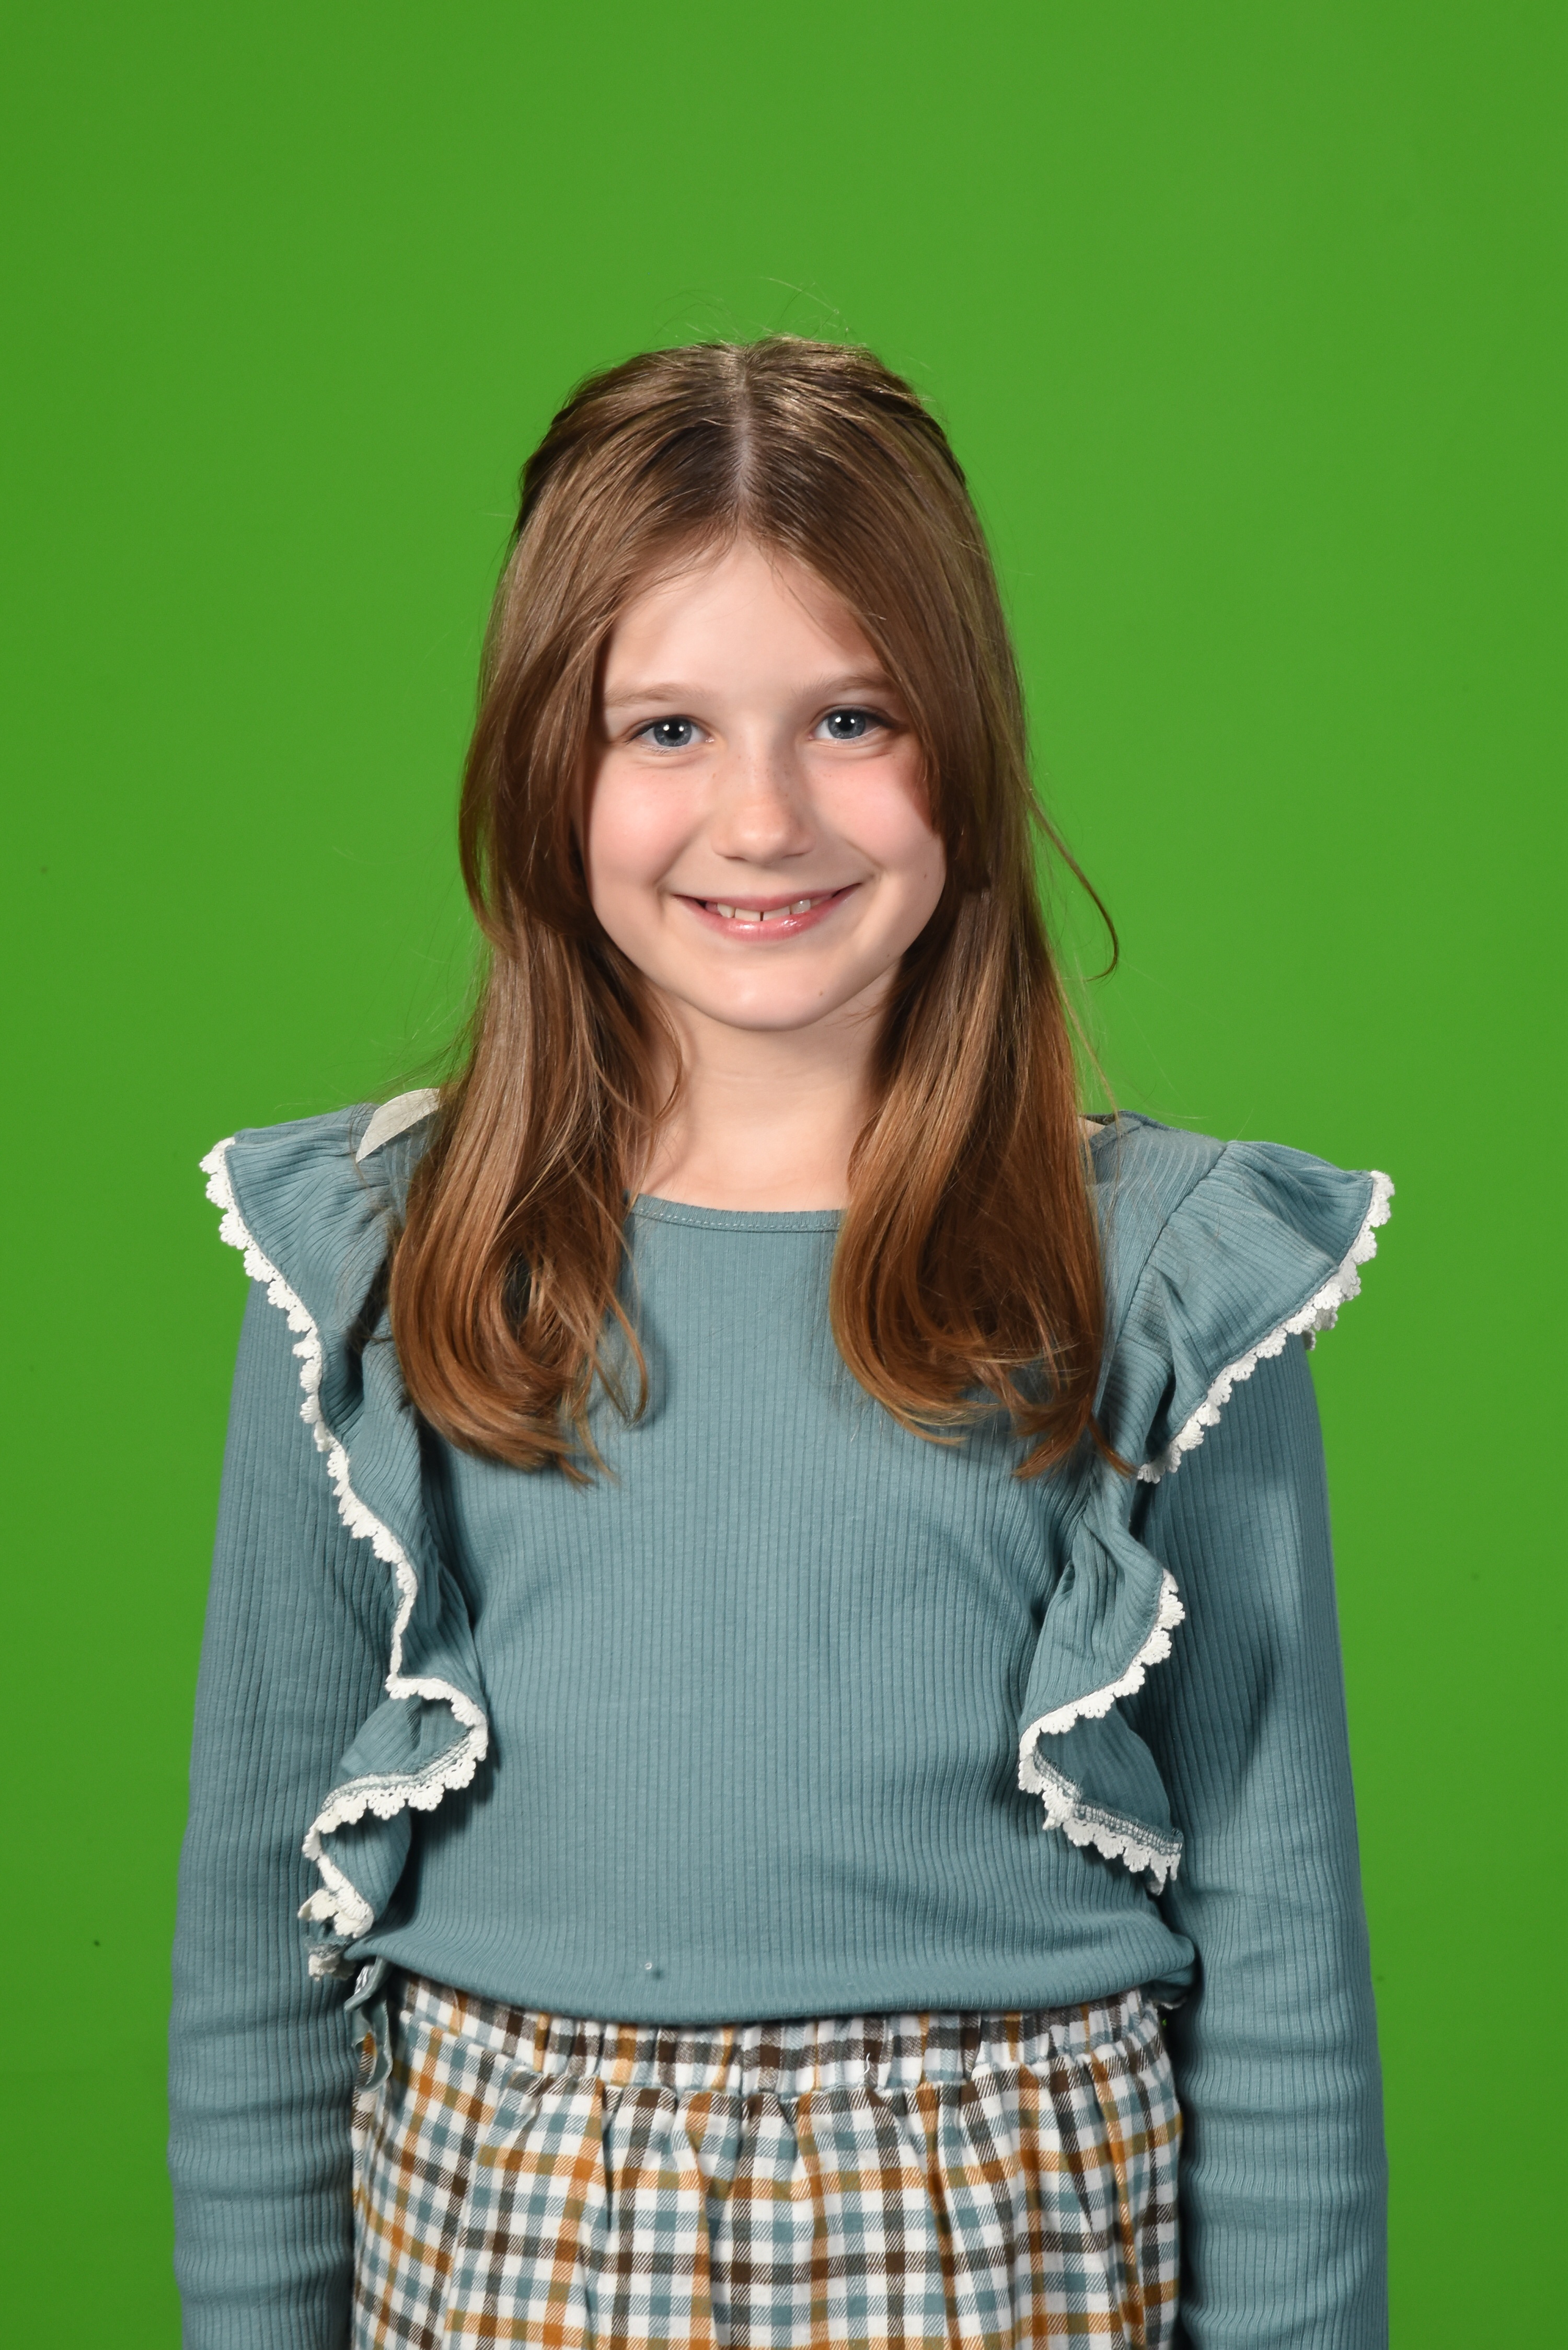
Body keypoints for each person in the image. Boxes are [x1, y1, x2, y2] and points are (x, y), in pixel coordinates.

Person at [169, 337, 1391, 2349]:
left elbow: (1284, 1970)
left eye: (850, 718)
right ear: (544, 770)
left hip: (1008, 2264)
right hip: (508, 2249)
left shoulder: (1161, 1278)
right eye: (664, 727)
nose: (762, 816)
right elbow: (254, 1938)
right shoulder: (380, 1261)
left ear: (963, 753)